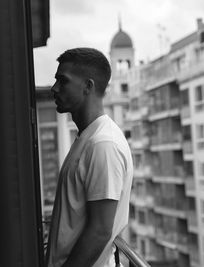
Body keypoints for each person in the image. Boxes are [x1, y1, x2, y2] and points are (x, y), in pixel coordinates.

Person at [45, 47, 133, 267]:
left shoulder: (103, 144)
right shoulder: (89, 137)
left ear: (88, 86)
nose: (54, 88)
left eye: (62, 81)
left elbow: (100, 231)